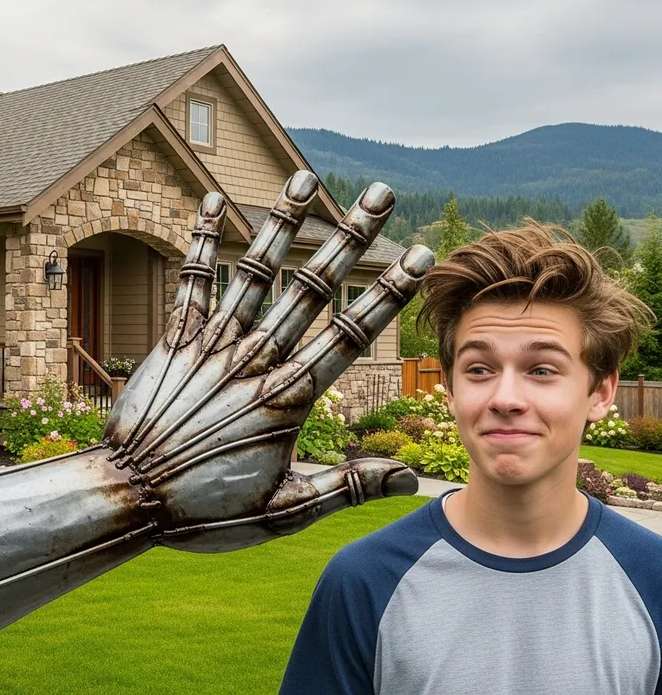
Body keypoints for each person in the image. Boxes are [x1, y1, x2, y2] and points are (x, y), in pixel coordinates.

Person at [279, 219, 662, 695]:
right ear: (451, 389)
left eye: (542, 369)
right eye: (479, 368)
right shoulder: (364, 581)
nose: (506, 397)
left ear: (601, 391)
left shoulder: (653, 578)